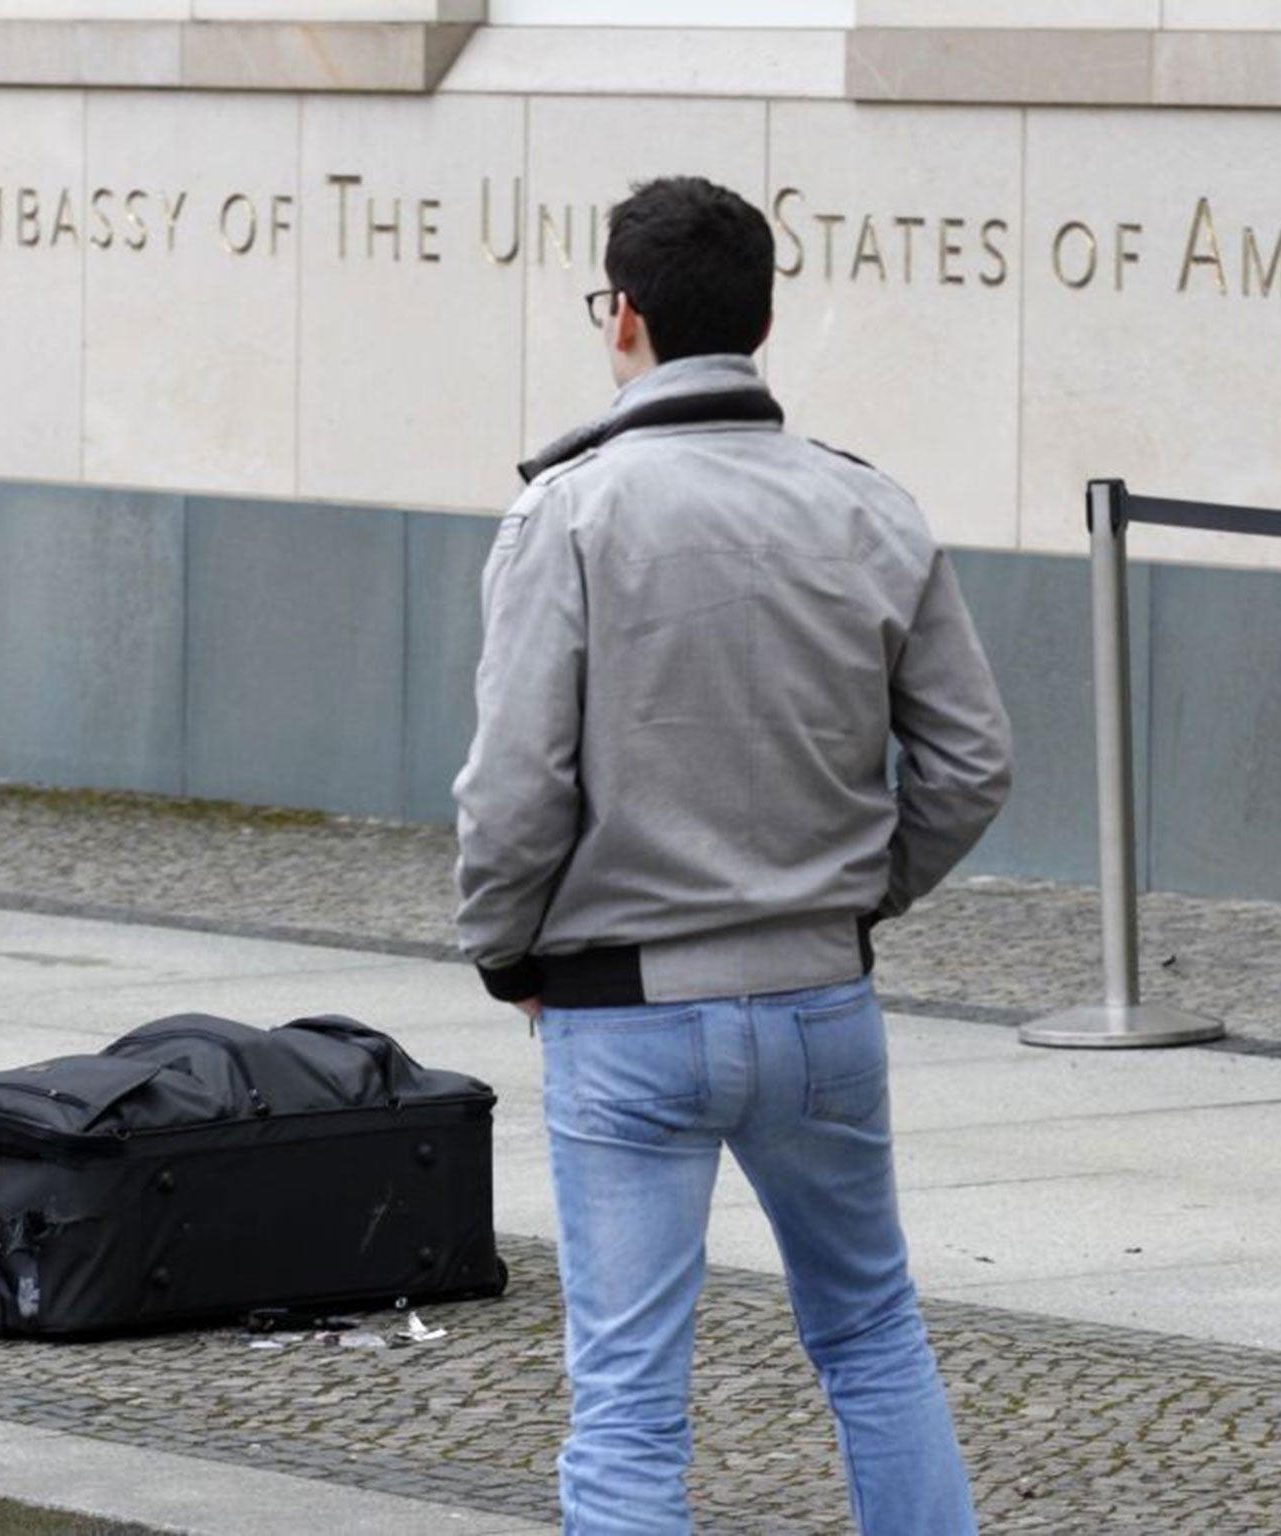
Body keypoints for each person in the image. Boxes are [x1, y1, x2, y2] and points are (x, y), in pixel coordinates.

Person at [454, 176, 1011, 1535]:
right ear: (764, 319)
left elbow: (515, 790)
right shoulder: (870, 509)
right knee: (875, 1340)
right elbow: (971, 763)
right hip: (821, 1001)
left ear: (623, 317)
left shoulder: (568, 517)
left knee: (631, 1400)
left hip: (624, 1012)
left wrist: (506, 948)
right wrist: (850, 905)